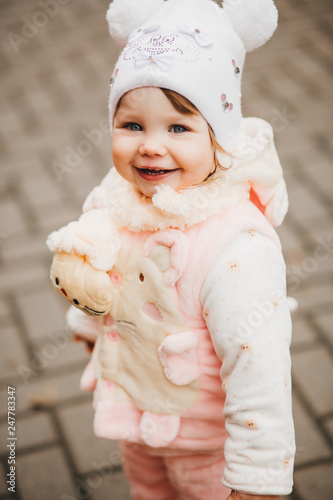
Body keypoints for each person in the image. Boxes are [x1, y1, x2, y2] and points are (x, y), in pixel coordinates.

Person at [47, 0, 295, 498]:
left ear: (219, 136)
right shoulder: (114, 198)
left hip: (209, 448)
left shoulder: (235, 247)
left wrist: (255, 478)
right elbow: (96, 265)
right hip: (135, 423)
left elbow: (259, 368)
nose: (150, 146)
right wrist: (87, 323)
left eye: (179, 127)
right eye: (132, 125)